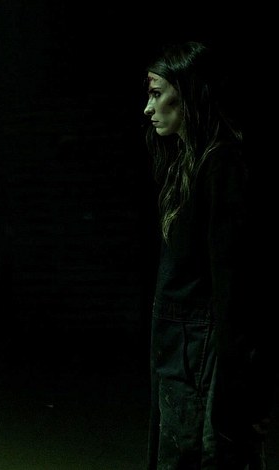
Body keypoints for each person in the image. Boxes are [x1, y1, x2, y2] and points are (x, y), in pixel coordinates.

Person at [143, 40, 269, 469]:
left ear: (188, 92)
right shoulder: (186, 162)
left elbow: (234, 283)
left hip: (203, 351)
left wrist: (237, 382)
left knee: (210, 457)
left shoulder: (222, 165)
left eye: (157, 93)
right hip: (183, 346)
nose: (148, 108)